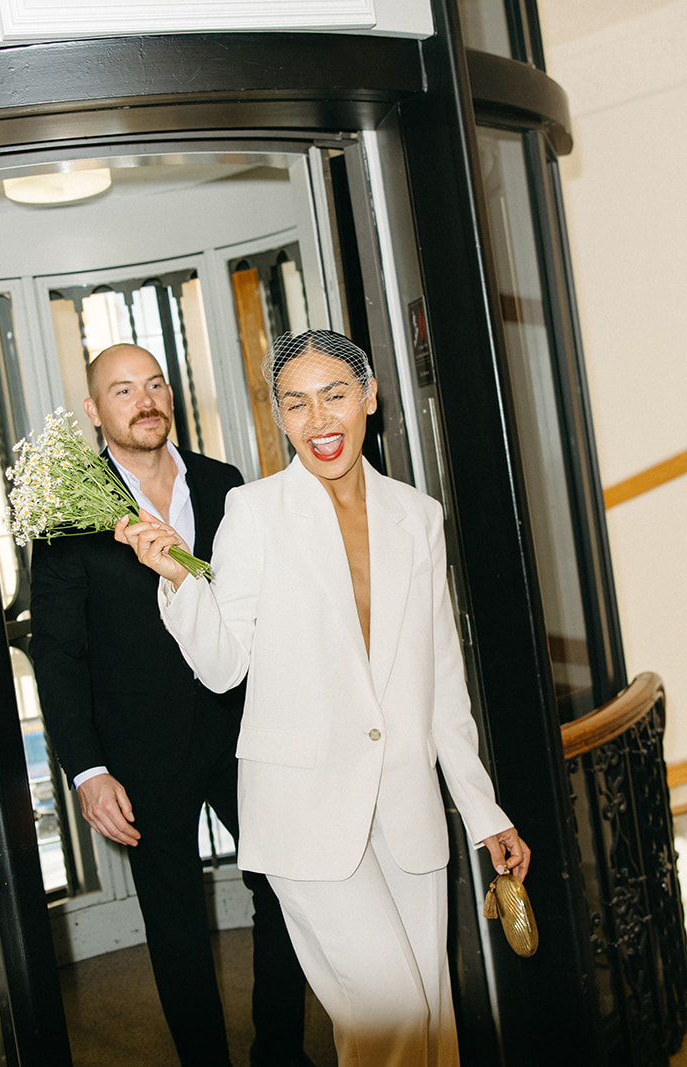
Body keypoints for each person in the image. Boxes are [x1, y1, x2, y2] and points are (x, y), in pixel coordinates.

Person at [118, 330, 530, 1067]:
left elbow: (441, 678)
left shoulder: (418, 516)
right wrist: (180, 582)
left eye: (335, 394)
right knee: (393, 1015)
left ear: (369, 396)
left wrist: (482, 807)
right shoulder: (255, 511)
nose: (319, 419)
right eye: (297, 402)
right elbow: (222, 666)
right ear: (280, 416)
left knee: (429, 1018)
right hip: (302, 811)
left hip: (404, 807)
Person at [27, 343, 312, 1067]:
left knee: (286, 884)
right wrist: (88, 770)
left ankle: (279, 1050)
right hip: (140, 752)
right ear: (95, 412)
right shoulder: (69, 511)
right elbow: (58, 653)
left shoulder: (225, 484)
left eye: (154, 384)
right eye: (123, 390)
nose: (145, 399)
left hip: (240, 727)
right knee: (177, 925)